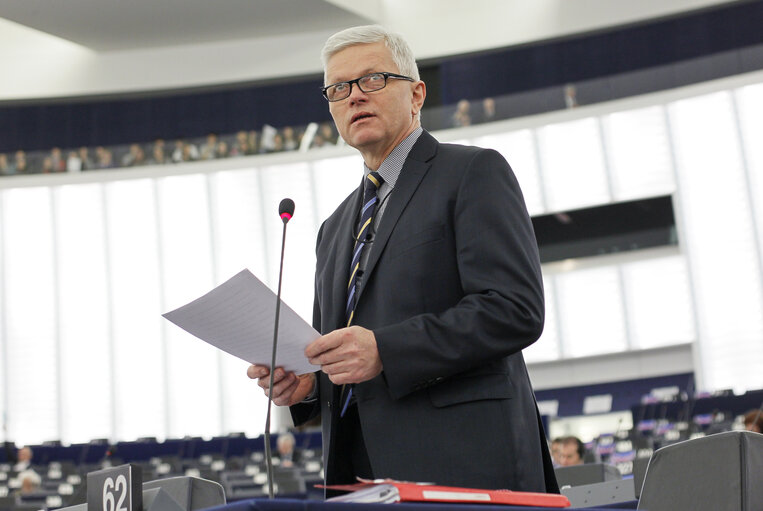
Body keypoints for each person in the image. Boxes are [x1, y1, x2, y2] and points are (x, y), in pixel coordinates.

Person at [247, 25, 557, 493]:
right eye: (338, 89)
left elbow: (514, 310)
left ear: (416, 94)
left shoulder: (473, 172)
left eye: (372, 80)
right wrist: (309, 387)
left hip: (467, 467)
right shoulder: (332, 230)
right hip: (358, 477)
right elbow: (344, 358)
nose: (354, 97)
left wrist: (385, 350)